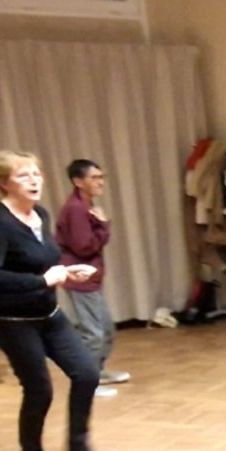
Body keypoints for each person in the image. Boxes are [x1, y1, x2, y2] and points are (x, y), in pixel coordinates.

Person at [0, 151, 112, 451]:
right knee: (39, 389)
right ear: (5, 183)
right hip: (12, 320)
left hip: (47, 313)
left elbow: (42, 261)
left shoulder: (41, 215)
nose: (33, 181)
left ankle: (78, 449)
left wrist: (66, 271)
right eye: (23, 176)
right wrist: (41, 281)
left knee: (87, 373)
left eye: (36, 174)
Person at [54, 158, 132, 392]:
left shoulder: (85, 206)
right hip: (80, 279)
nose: (100, 182)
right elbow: (84, 247)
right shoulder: (76, 209)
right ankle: (87, 383)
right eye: (94, 178)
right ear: (78, 181)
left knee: (106, 329)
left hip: (90, 279)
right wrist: (103, 225)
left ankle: (97, 372)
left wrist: (100, 224)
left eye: (101, 177)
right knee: (94, 333)